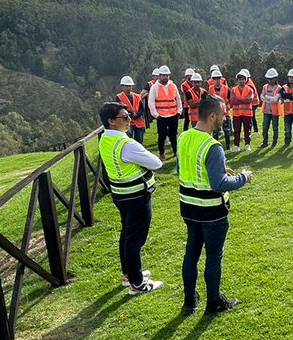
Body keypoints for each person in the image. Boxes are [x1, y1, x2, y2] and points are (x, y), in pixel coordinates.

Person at [177, 94, 254, 315]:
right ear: (212, 116)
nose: (224, 117)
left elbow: (184, 170)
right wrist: (243, 177)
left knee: (191, 254)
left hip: (188, 207)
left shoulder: (184, 137)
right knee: (213, 256)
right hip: (211, 212)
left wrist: (219, 170)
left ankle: (190, 301)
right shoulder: (213, 146)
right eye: (222, 114)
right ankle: (214, 302)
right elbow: (219, 184)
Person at [98, 102, 163, 294]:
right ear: (111, 121)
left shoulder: (105, 138)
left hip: (121, 194)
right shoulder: (126, 144)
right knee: (135, 241)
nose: (129, 120)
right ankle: (137, 283)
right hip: (136, 196)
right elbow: (156, 163)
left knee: (127, 235)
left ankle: (129, 275)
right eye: (124, 117)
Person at [148, 66, 182, 161]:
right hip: (161, 116)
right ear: (159, 76)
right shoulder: (155, 87)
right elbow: (151, 102)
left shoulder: (173, 86)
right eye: (163, 75)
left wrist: (179, 111)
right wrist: (156, 115)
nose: (165, 77)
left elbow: (178, 99)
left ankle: (176, 152)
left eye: (166, 75)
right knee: (162, 136)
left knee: (173, 135)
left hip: (173, 115)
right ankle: (162, 153)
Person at [115, 75, 148, 144]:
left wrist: (137, 115)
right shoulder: (119, 97)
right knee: (128, 141)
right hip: (127, 121)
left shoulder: (137, 96)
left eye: (130, 86)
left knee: (139, 141)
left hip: (138, 121)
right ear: (122, 86)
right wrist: (131, 114)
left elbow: (142, 109)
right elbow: (120, 108)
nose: (128, 88)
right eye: (126, 86)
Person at [229, 69, 256, 150]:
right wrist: (243, 100)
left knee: (247, 131)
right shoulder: (234, 89)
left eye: (243, 79)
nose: (241, 81)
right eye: (240, 79)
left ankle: (247, 144)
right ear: (237, 80)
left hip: (247, 114)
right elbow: (233, 101)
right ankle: (236, 145)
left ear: (246, 80)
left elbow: (249, 100)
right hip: (236, 114)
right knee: (236, 131)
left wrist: (239, 100)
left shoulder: (250, 89)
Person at [207, 68, 233, 149]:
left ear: (221, 79)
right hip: (215, 113)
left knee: (226, 130)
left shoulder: (226, 88)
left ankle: (228, 145)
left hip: (225, 113)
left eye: (218, 78)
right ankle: (215, 146)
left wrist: (227, 109)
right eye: (215, 79)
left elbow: (230, 100)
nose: (217, 80)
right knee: (215, 131)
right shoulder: (210, 88)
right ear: (213, 80)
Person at [260, 68, 282, 148]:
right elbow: (261, 97)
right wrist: (270, 99)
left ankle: (274, 143)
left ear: (275, 78)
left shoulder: (279, 88)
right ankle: (265, 143)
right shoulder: (265, 87)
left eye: (271, 78)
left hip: (275, 112)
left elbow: (276, 99)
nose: (270, 80)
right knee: (265, 128)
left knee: (275, 128)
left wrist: (267, 97)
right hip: (266, 111)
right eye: (268, 79)